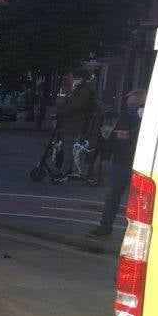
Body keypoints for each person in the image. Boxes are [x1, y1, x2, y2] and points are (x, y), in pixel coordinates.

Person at [88, 89, 147, 237]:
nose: (131, 107)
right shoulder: (125, 116)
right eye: (129, 104)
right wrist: (106, 157)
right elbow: (112, 138)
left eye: (134, 104)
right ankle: (105, 226)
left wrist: (130, 137)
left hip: (138, 162)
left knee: (137, 200)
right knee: (113, 196)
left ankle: (134, 232)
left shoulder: (149, 117)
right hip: (121, 160)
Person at [53, 69, 97, 181]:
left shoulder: (83, 91)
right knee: (66, 147)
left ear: (82, 78)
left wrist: (60, 113)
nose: (75, 80)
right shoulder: (81, 90)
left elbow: (74, 107)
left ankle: (63, 172)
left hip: (73, 124)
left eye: (76, 77)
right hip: (72, 123)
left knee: (68, 148)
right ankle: (68, 169)